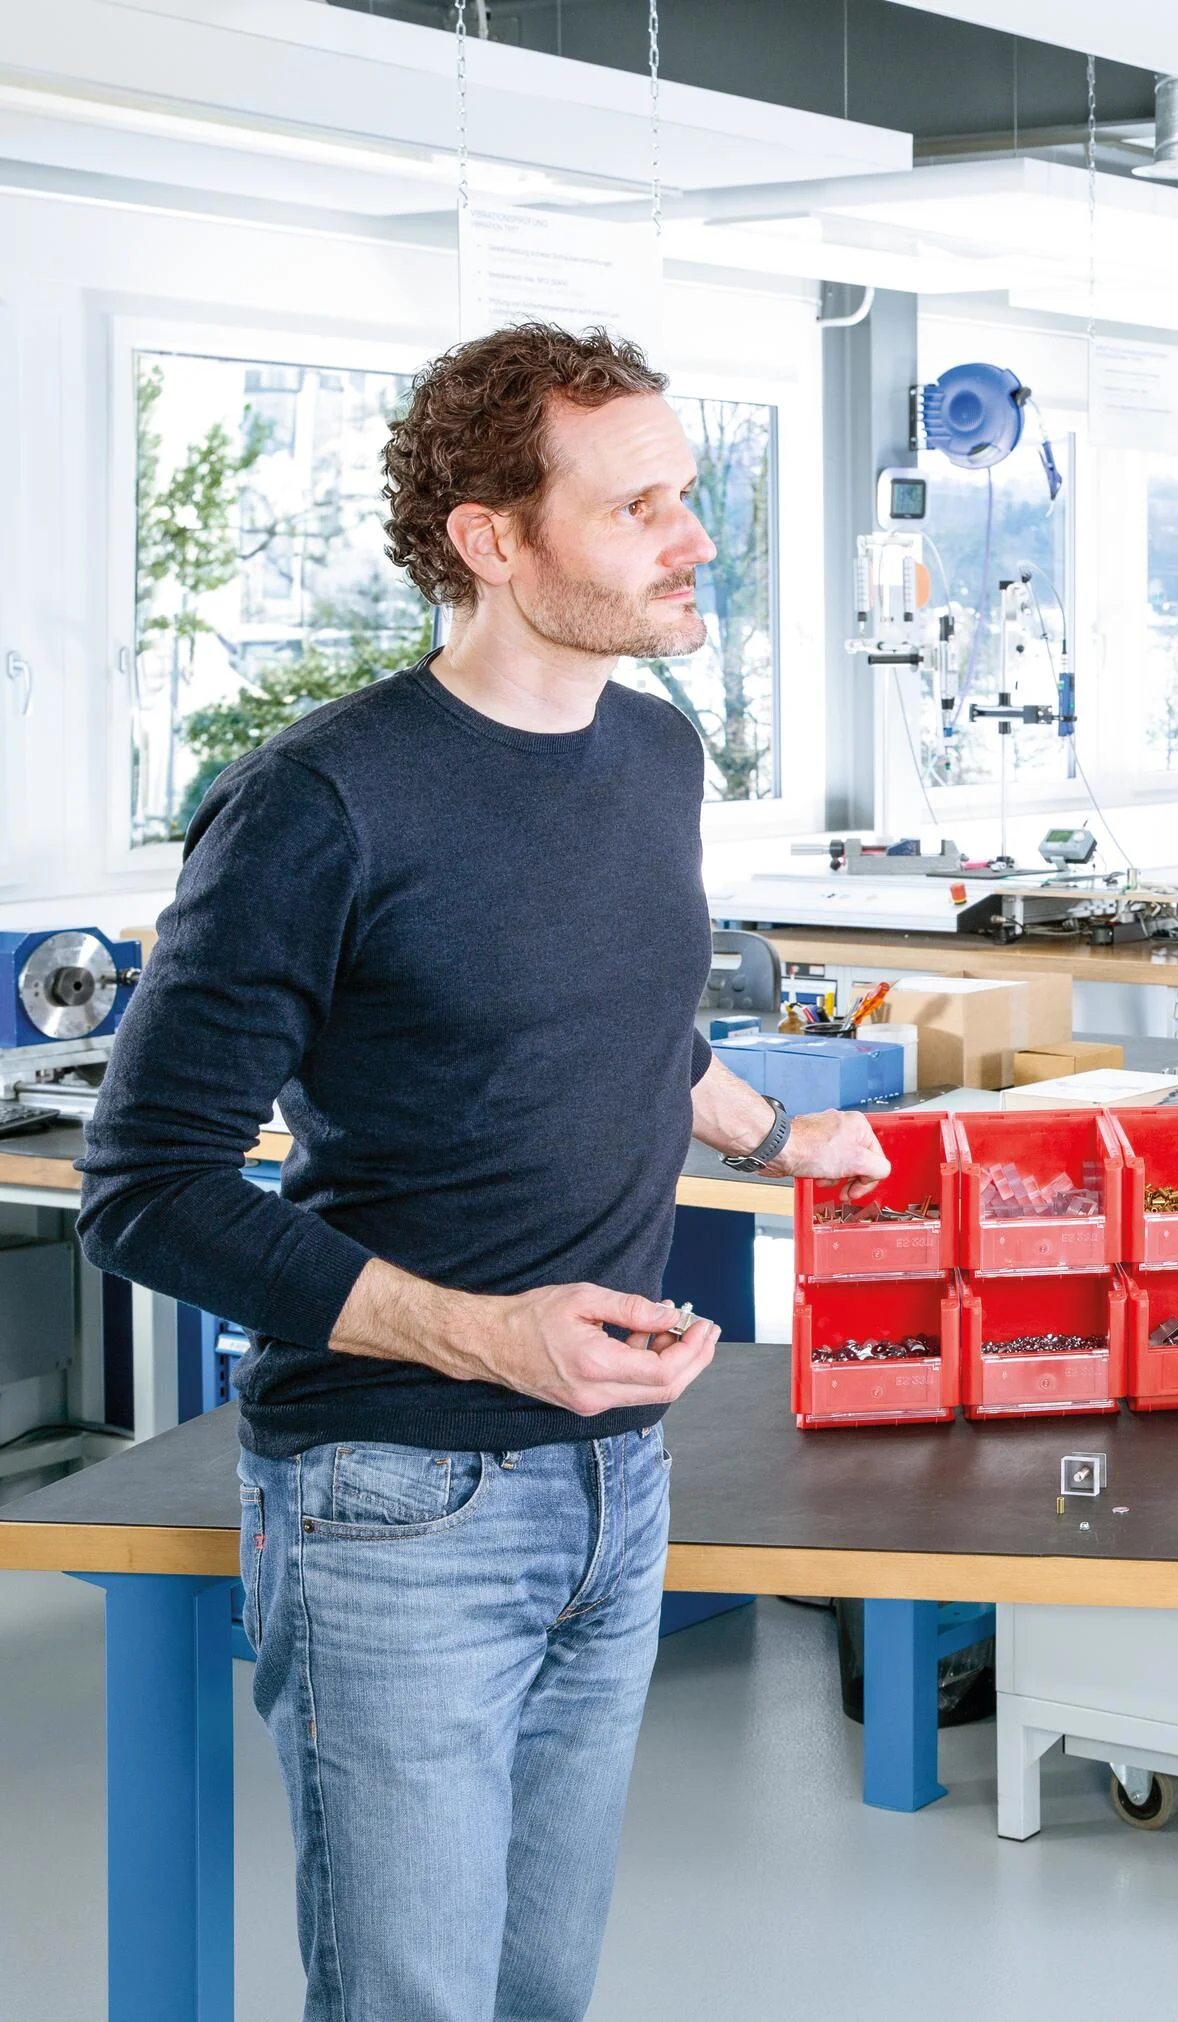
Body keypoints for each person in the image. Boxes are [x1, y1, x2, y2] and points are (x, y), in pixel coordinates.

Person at [79, 323, 888, 2022]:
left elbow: (621, 1016)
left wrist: (778, 1135)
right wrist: (486, 1336)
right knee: (413, 2003)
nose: (695, 540)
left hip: (620, 1479)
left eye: (691, 493)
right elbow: (145, 1186)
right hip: (400, 1496)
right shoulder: (319, 801)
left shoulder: (656, 753)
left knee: (537, 1990)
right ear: (492, 541)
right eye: (639, 505)